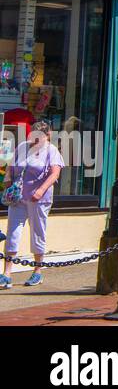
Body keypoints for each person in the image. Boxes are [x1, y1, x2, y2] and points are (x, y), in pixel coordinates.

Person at [0, 121, 63, 288]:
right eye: (32, 136)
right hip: (18, 197)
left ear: (47, 136)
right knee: (13, 232)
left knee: (37, 232)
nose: (34, 141)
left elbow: (55, 173)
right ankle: (6, 273)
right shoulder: (23, 146)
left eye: (38, 138)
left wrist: (41, 190)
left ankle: (37, 271)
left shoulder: (51, 151)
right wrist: (7, 177)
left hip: (39, 199)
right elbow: (12, 165)